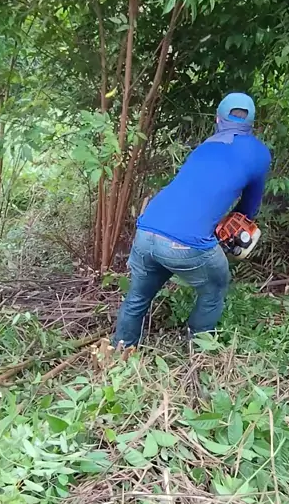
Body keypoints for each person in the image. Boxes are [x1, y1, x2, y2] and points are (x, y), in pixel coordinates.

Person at [113, 92, 271, 348]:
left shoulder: (204, 147)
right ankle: (198, 347)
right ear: (252, 123)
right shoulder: (260, 154)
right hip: (185, 244)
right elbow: (248, 210)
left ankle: (120, 350)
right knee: (215, 288)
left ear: (218, 119)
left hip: (147, 230)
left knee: (137, 297)